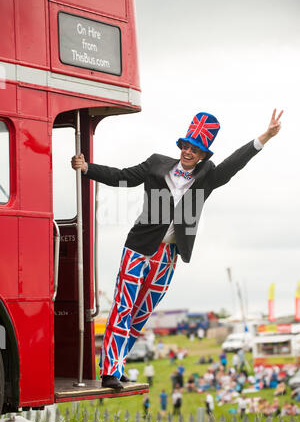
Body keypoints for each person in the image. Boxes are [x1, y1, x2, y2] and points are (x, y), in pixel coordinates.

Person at [72, 109, 283, 388]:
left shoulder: (207, 177)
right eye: (185, 146)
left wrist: (265, 137)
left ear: (203, 155)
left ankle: (119, 362)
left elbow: (234, 164)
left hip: (168, 256)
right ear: (181, 147)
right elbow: (122, 176)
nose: (188, 152)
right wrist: (88, 168)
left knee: (141, 313)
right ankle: (110, 370)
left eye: (194, 149)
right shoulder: (156, 164)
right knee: (123, 307)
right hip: (139, 248)